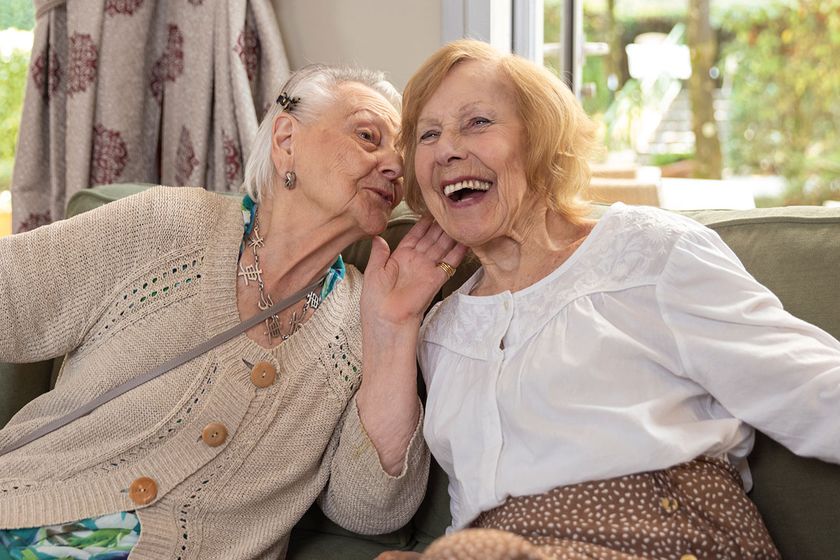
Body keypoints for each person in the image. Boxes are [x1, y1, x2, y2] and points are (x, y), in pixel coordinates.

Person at [376, 39, 840, 560]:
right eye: (428, 135)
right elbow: (410, 508)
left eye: (478, 122)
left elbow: (813, 388)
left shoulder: (651, 253)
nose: (447, 149)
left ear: (540, 139)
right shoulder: (442, 330)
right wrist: (393, 322)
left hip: (663, 538)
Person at [0, 64, 464, 560]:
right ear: (287, 138)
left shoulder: (364, 316)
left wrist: (392, 330)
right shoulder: (170, 228)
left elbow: (372, 511)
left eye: (403, 153)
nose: (395, 164)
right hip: (25, 521)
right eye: (369, 136)